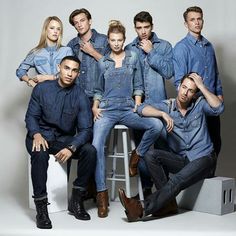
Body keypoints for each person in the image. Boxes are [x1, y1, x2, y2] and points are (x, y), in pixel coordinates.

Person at [92, 20, 172, 218]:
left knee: (155, 125)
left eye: (119, 40)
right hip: (107, 109)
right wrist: (95, 107)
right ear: (108, 41)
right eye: (112, 40)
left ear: (124, 40)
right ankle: (101, 195)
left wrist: (137, 102)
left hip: (128, 108)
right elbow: (97, 90)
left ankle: (137, 154)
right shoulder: (102, 62)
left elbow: (138, 84)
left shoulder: (133, 56)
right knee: (96, 145)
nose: (116, 43)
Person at [118, 73, 224, 222]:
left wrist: (201, 86)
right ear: (179, 86)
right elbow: (141, 108)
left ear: (194, 94)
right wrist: (161, 113)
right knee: (151, 155)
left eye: (191, 90)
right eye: (184, 87)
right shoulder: (167, 106)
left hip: (204, 158)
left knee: (177, 180)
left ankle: (141, 208)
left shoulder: (200, 104)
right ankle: (168, 204)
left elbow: (219, 108)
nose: (185, 93)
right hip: (183, 160)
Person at [25, 56, 96, 229]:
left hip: (64, 140)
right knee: (40, 154)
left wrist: (72, 147)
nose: (69, 73)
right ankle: (41, 208)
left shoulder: (80, 95)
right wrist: (36, 134)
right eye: (66, 68)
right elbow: (31, 116)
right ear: (59, 67)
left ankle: (76, 200)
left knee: (90, 151)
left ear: (78, 74)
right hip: (40, 136)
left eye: (74, 70)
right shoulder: (41, 89)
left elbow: (86, 129)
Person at [125, 11, 174, 198]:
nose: (143, 31)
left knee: (163, 149)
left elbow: (169, 72)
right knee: (142, 149)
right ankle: (146, 188)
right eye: (139, 28)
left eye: (146, 27)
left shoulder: (164, 46)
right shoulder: (129, 48)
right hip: (137, 107)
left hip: (160, 105)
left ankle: (164, 190)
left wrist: (151, 52)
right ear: (135, 28)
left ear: (152, 26)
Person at [173, 6, 223, 157]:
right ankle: (198, 179)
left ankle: (209, 180)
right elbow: (179, 82)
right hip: (195, 106)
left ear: (203, 20)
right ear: (186, 24)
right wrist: (192, 99)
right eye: (192, 19)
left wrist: (219, 93)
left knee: (216, 143)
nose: (196, 22)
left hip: (212, 102)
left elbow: (216, 73)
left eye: (199, 19)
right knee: (199, 149)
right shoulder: (181, 48)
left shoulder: (209, 46)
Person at [67, 8, 109, 105]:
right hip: (77, 97)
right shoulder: (72, 44)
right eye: (76, 23)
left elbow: (112, 67)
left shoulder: (104, 40)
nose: (79, 25)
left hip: (100, 97)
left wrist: (92, 52)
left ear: (89, 21)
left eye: (82, 20)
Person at [16, 16, 73, 87]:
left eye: (58, 29)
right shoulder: (36, 52)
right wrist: (30, 81)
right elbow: (20, 71)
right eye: (52, 28)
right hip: (42, 93)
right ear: (45, 30)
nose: (55, 31)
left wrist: (48, 77)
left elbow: (72, 74)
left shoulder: (66, 51)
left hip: (63, 92)